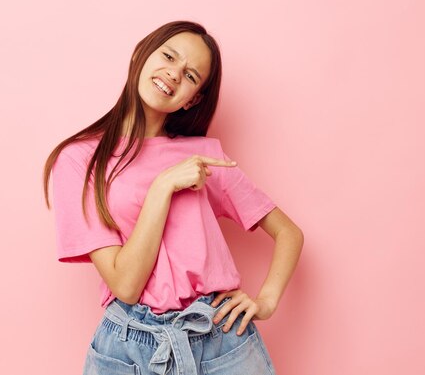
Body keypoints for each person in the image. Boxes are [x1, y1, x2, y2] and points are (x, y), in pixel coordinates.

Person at [42, 20, 303, 375]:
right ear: (140, 55)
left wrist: (267, 300)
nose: (174, 74)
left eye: (191, 75)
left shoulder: (206, 158)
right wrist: (163, 187)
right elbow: (126, 285)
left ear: (191, 100)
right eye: (168, 56)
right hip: (129, 347)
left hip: (221, 339)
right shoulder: (79, 162)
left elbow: (289, 233)